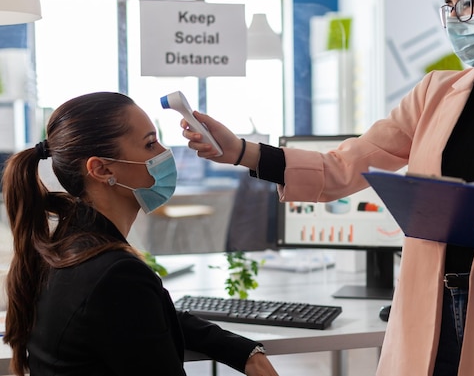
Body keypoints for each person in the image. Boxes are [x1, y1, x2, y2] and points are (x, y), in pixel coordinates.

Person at [181, 0, 474, 375]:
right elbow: (344, 165)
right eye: (448, 6)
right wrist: (242, 151)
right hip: (425, 312)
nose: (456, 18)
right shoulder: (434, 91)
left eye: (469, 1)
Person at [2, 92, 280, 376]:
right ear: (101, 169)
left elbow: (144, 316)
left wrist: (243, 351)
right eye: (150, 144)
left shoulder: (63, 248)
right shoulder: (116, 275)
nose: (164, 153)